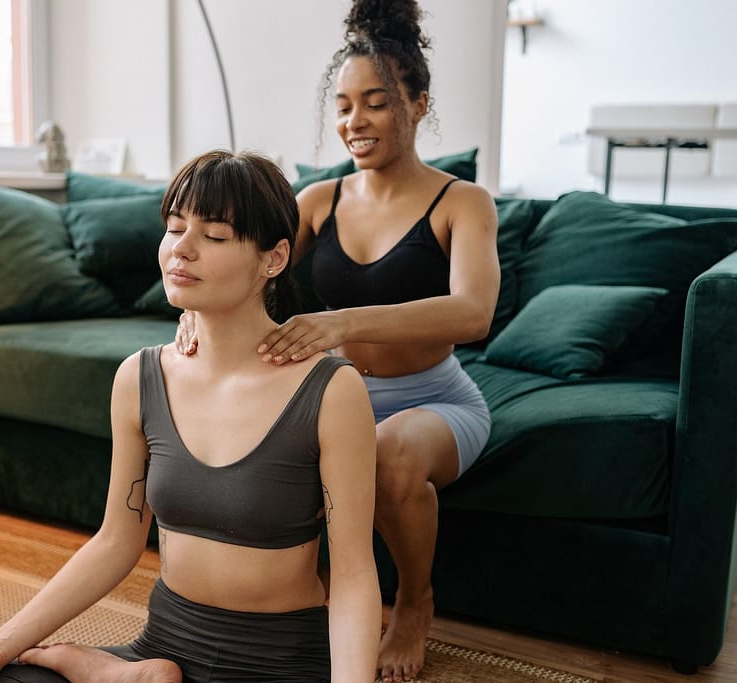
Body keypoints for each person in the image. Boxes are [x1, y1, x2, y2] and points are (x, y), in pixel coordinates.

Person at [0, 151, 381, 683]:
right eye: (174, 228)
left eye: (214, 235)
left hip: (279, 663)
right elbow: (115, 541)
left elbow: (354, 574)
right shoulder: (139, 377)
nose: (182, 249)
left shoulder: (331, 390)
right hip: (163, 646)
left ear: (274, 258)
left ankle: (103, 673)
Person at [176, 2, 500, 681]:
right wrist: (197, 315)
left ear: (418, 104)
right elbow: (246, 266)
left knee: (390, 455)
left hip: (434, 399)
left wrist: (342, 323)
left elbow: (473, 312)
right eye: (344, 106)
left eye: (376, 103)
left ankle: (413, 602)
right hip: (338, 397)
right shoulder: (317, 201)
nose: (355, 121)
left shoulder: (463, 202)